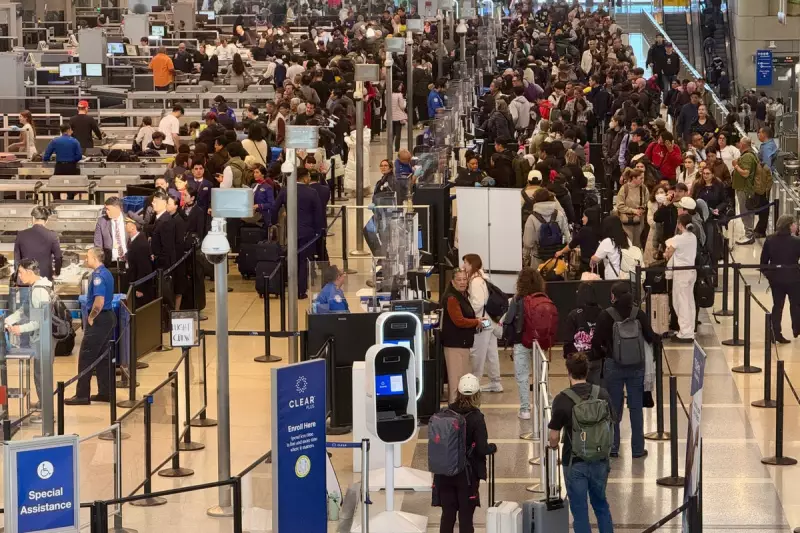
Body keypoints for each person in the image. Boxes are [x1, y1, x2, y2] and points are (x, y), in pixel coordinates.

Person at [548, 352, 614, 533]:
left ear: (568, 372)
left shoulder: (562, 399)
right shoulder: (602, 393)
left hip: (574, 461)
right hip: (600, 460)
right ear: (587, 371)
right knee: (601, 505)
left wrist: (553, 446)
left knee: (580, 511)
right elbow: (611, 425)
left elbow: (553, 436)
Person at [592, 282, 655, 458]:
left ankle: (613, 447)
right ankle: (637, 449)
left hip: (614, 366)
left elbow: (596, 342)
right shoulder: (638, 313)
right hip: (636, 366)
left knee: (614, 407)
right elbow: (650, 337)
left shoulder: (606, 315)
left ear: (613, 296)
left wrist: (607, 351)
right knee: (635, 408)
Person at [432, 373, 496, 533]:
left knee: (447, 516)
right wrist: (492, 448)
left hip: (444, 473)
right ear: (477, 394)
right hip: (466, 476)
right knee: (466, 519)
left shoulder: (445, 413)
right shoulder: (476, 418)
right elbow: (481, 448)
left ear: (458, 392)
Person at [65, 247, 115, 405]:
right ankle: (105, 391)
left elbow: (99, 301)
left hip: (99, 319)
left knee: (86, 356)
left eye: (88, 257)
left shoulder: (98, 276)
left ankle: (82, 395)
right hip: (108, 317)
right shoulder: (107, 272)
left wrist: (92, 317)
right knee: (103, 356)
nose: (86, 260)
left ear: (95, 258)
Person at [5, 259, 54, 407]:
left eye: (20, 272)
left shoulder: (39, 291)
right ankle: (42, 405)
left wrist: (21, 329)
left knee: (42, 376)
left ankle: (46, 412)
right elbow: (23, 311)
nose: (19, 276)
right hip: (40, 338)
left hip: (43, 340)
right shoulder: (37, 287)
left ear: (30, 272)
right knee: (40, 374)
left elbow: (40, 321)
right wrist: (7, 320)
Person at [506, 268, 552, 419]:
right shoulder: (543, 297)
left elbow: (509, 320)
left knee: (522, 376)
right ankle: (545, 404)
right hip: (540, 342)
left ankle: (525, 409)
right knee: (541, 374)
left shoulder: (517, 299)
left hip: (521, 342)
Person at [271, 167, 322, 299]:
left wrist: (273, 222)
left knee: (291, 258)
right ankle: (301, 290)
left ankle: (288, 285)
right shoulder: (312, 192)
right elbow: (318, 214)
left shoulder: (285, 191)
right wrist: (318, 231)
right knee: (304, 261)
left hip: (291, 231)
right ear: (305, 177)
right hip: (308, 232)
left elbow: (274, 208)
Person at [441, 270, 483, 403]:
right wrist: (477, 322)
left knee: (462, 379)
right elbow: (458, 320)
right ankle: (454, 410)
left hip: (462, 343)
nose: (462, 282)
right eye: (459, 280)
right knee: (456, 381)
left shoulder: (460, 296)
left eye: (464, 279)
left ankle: (460, 410)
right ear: (453, 281)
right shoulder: (452, 298)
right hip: (455, 345)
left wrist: (476, 320)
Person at [462, 254, 502, 393]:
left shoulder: (475, 281)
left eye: (465, 263)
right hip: (489, 320)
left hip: (482, 321)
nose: (463, 267)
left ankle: (475, 382)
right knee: (491, 353)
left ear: (472, 264)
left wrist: (467, 314)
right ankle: (495, 382)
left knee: (478, 352)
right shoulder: (483, 278)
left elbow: (478, 303)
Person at [760, 214, 800, 343]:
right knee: (796, 305)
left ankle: (775, 333)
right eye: (795, 224)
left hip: (775, 279)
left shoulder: (770, 239)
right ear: (790, 225)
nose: (796, 226)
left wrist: (769, 274)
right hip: (794, 278)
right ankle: (797, 328)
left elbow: (763, 262)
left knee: (777, 305)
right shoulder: (796, 241)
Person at [665, 213, 698, 342]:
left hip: (681, 273)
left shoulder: (678, 239)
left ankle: (685, 333)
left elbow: (668, 254)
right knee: (690, 302)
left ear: (680, 225)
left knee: (681, 302)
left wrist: (666, 252)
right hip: (691, 272)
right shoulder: (693, 237)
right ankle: (689, 329)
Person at [564, 283, 604, 384]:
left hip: (578, 361)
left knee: (578, 393)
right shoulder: (602, 313)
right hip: (596, 358)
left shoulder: (573, 315)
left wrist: (569, 358)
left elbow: (568, 341)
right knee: (595, 392)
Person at [522, 188, 570, 268]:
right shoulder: (559, 214)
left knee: (539, 279)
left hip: (538, 259)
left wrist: (525, 259)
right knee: (557, 279)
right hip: (557, 258)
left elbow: (528, 243)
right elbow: (567, 236)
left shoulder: (532, 218)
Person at [14, 207, 62, 281]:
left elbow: (17, 260)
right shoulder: (52, 235)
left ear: (33, 218)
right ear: (47, 220)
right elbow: (58, 257)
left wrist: (18, 276)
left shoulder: (21, 235)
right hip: (45, 279)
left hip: (26, 279)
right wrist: (57, 272)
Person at [555, 205, 602, 275]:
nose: (582, 219)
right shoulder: (599, 229)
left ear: (589, 218)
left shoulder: (584, 231)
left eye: (584, 216)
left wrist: (561, 252)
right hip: (599, 264)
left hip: (587, 264)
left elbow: (572, 245)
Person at [732, 137, 758, 244]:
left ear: (743, 145)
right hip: (743, 188)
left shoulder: (747, 156)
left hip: (745, 189)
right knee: (745, 211)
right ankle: (749, 233)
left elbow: (746, 173)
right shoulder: (747, 155)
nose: (738, 145)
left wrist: (736, 166)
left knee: (745, 212)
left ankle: (749, 235)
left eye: (740, 143)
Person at [123, 213, 153, 307]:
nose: (124, 226)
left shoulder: (140, 244)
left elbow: (144, 268)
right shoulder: (135, 241)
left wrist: (140, 288)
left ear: (133, 227)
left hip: (139, 286)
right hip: (134, 282)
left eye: (126, 224)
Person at [591, 215, 633, 280]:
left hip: (613, 277)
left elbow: (596, 259)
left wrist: (592, 259)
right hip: (626, 276)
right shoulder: (627, 239)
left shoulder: (607, 242)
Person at [615, 168, 647, 248]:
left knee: (637, 243)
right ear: (633, 178)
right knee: (628, 243)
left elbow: (647, 202)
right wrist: (633, 211)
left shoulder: (643, 188)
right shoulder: (624, 189)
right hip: (626, 221)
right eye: (641, 178)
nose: (642, 180)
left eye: (643, 178)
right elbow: (619, 206)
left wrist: (642, 208)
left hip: (639, 221)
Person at [93, 197, 127, 266]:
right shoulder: (101, 222)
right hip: (110, 262)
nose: (106, 211)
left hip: (128, 262)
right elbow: (98, 246)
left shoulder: (129, 219)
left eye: (108, 209)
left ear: (117, 208)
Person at [150, 190, 176, 271]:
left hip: (163, 264)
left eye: (155, 202)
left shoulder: (165, 221)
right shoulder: (159, 218)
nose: (152, 203)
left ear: (164, 203)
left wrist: (158, 259)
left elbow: (167, 247)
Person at [389, 80, 407, 152]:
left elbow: (386, 105)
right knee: (398, 134)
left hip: (390, 116)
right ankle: (397, 149)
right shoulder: (399, 95)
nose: (401, 87)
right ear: (397, 86)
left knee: (392, 134)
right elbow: (402, 106)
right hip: (398, 116)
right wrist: (405, 103)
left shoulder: (389, 94)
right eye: (400, 85)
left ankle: (390, 148)